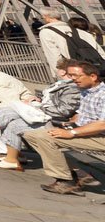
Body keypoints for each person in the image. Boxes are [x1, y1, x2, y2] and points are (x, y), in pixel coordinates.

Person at [0, 58, 82, 171]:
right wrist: (35, 100)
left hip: (52, 121)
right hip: (43, 116)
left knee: (11, 111)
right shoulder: (62, 85)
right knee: (12, 118)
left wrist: (37, 107)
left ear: (62, 72)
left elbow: (64, 110)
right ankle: (11, 158)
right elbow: (51, 101)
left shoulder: (71, 88)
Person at [23, 60, 105, 195]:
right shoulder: (86, 90)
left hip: (99, 136)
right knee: (32, 134)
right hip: (85, 131)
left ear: (93, 77)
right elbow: (82, 114)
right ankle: (74, 175)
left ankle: (66, 181)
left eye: (76, 76)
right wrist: (67, 124)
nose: (73, 79)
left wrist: (71, 133)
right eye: (70, 75)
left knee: (44, 138)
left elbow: (102, 124)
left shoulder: (103, 94)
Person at [38, 8, 105, 74]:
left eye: (41, 17)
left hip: (72, 72)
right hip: (95, 70)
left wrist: (59, 73)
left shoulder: (46, 32)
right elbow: (99, 50)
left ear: (45, 17)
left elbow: (53, 56)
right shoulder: (80, 31)